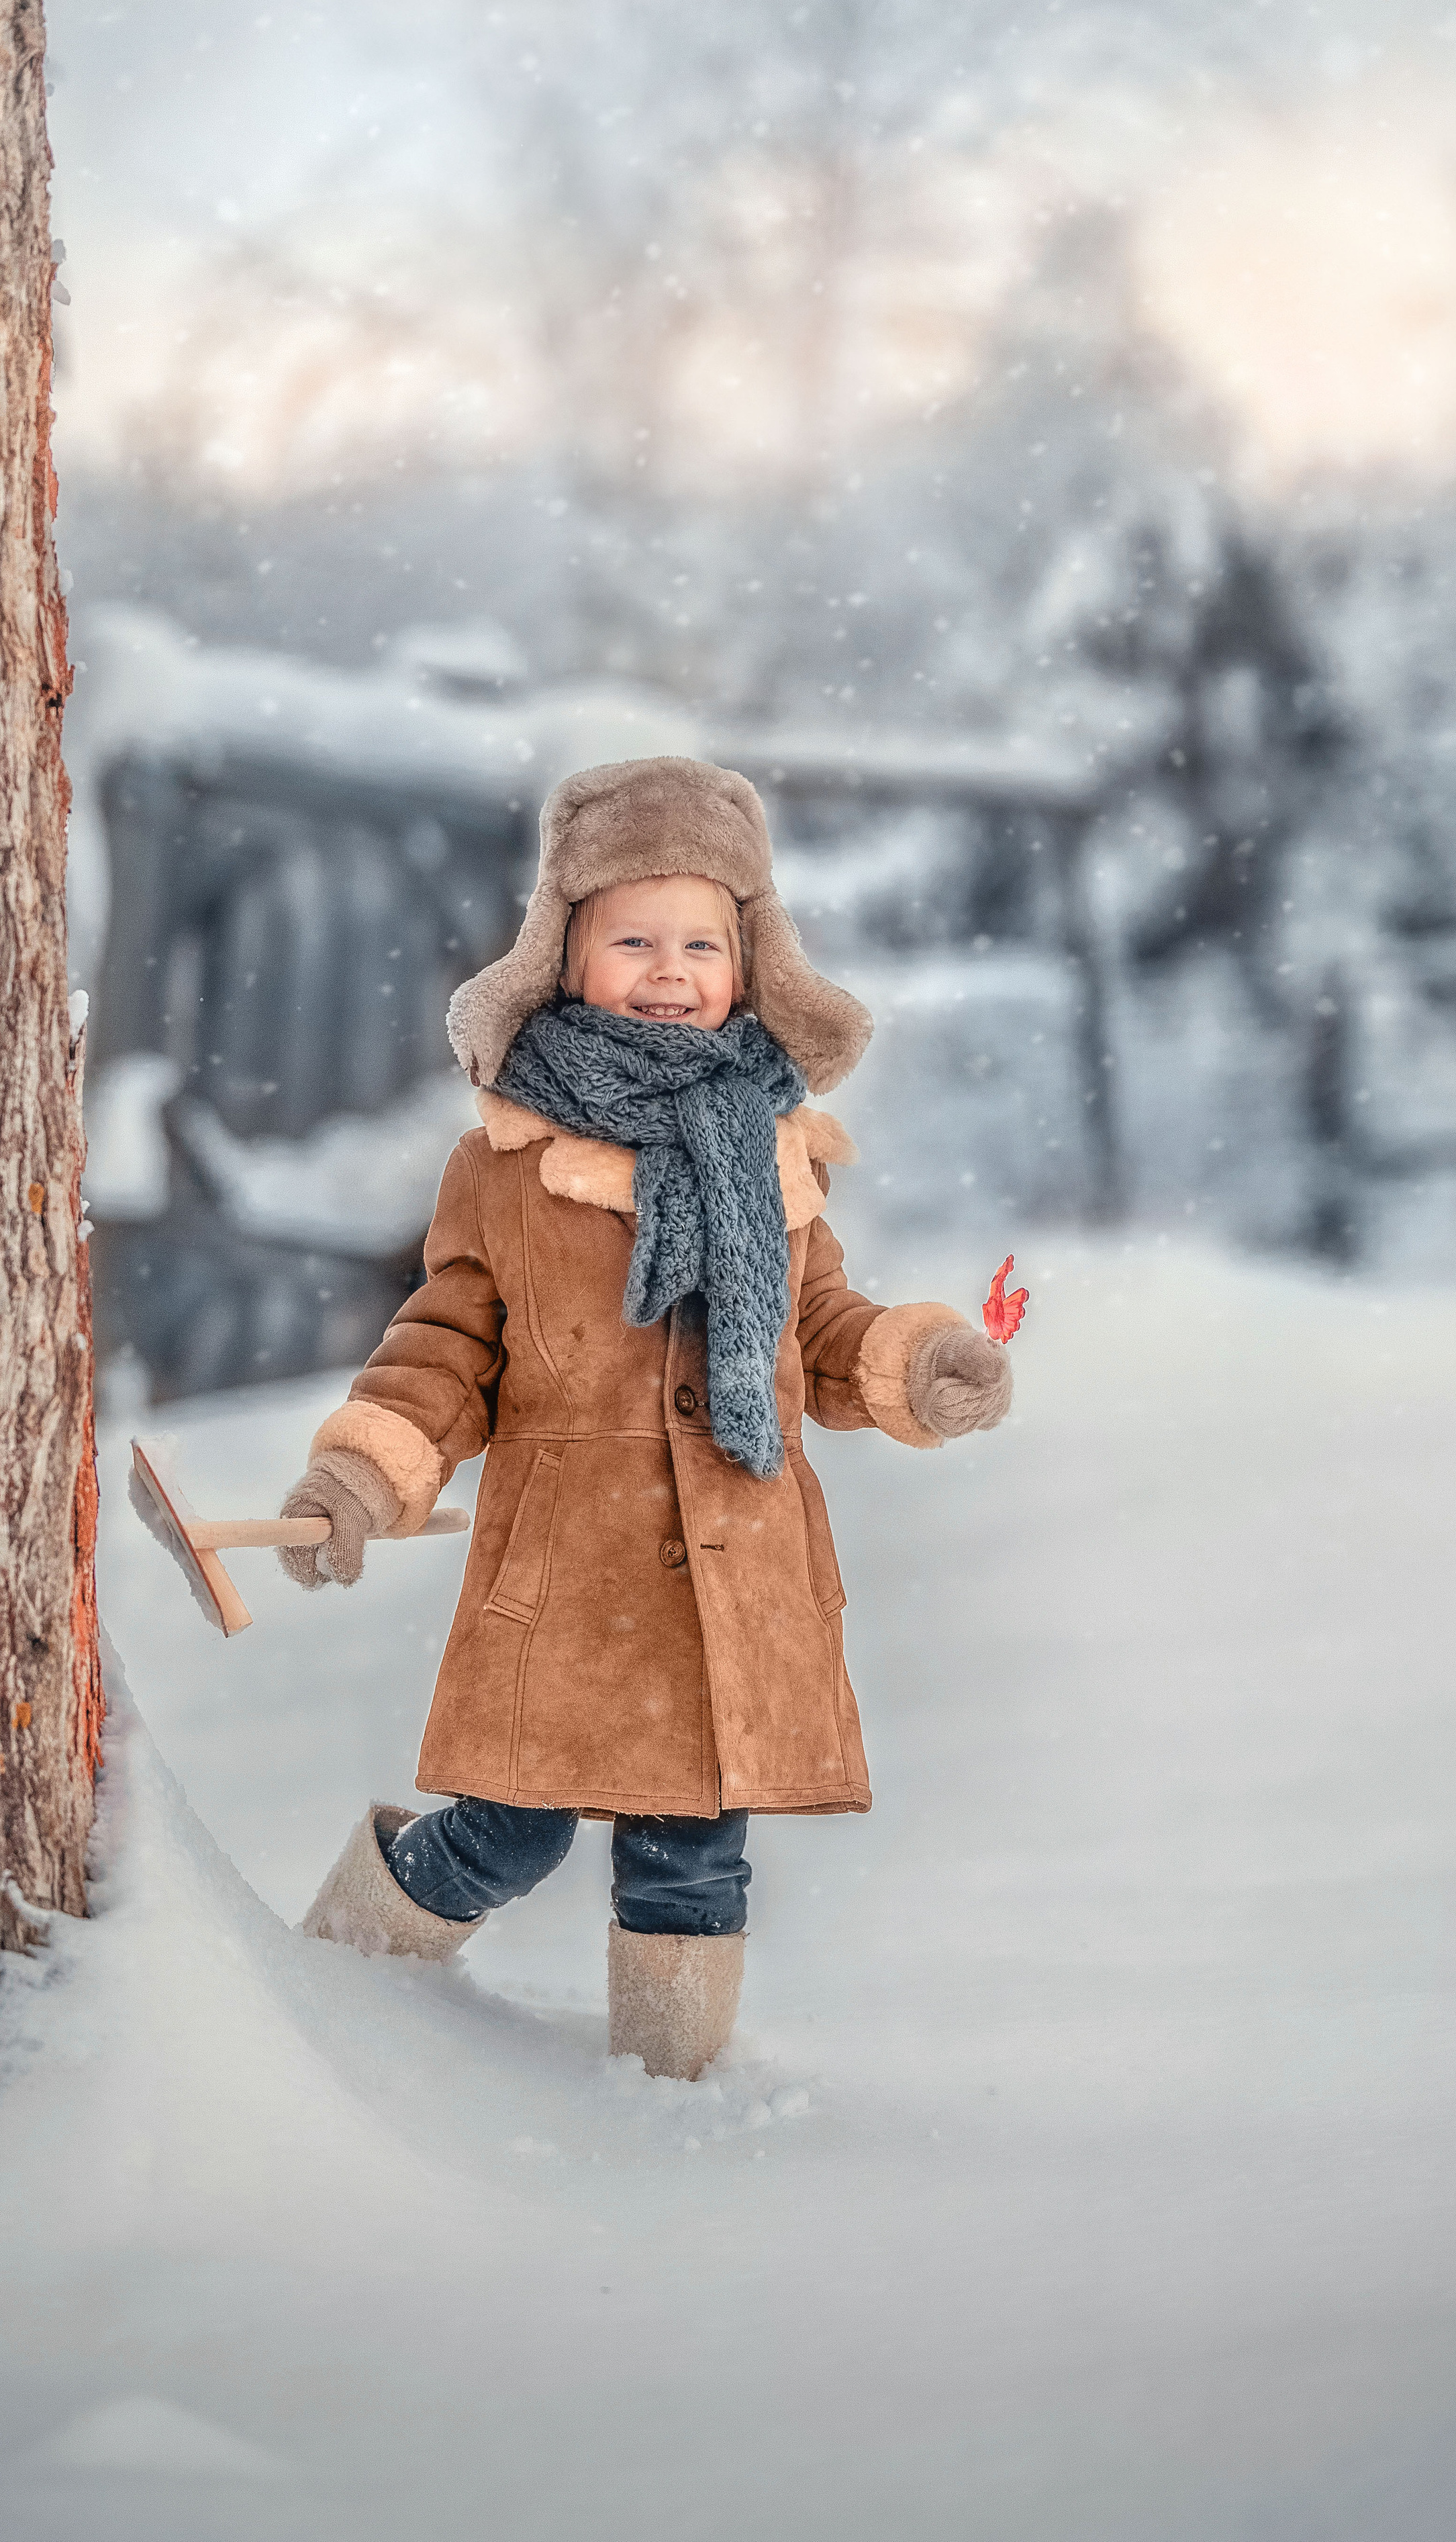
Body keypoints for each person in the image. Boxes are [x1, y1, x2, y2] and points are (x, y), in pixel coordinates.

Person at [281, 756, 1012, 2080]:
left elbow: (817, 1332)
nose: (669, 970)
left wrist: (917, 1368)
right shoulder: (506, 1162)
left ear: (750, 963)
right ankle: (332, 1986)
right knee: (510, 1833)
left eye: (701, 943)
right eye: (633, 940)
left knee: (694, 1858)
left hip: (732, 1573)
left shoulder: (776, 1155)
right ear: (565, 956)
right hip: (574, 1574)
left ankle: (671, 2107)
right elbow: (446, 1344)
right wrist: (366, 1470)